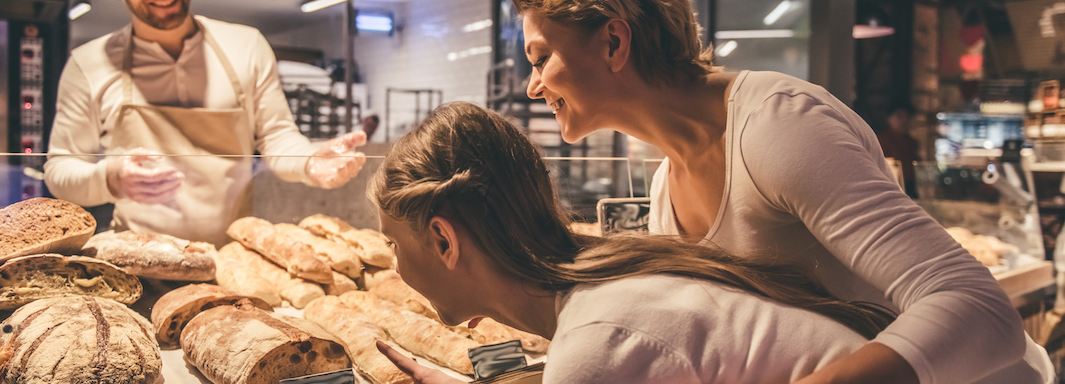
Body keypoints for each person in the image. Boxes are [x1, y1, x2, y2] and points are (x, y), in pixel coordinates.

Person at [506, 0, 1054, 383]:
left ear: (613, 43)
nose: (532, 87)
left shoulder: (776, 126)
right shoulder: (665, 186)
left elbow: (980, 308)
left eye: (542, 57)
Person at [370, 101, 898, 384]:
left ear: (443, 241)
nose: (394, 266)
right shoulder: (613, 278)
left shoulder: (599, 336)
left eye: (394, 244)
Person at [44, 0, 366, 246]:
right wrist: (111, 178)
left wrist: (310, 159)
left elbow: (277, 137)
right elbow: (60, 171)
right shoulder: (88, 65)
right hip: (137, 258)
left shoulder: (247, 47)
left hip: (233, 259)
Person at [875, 99, 922, 197]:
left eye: (907, 117)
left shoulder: (912, 143)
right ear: (888, 118)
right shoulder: (881, 140)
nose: (904, 121)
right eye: (899, 116)